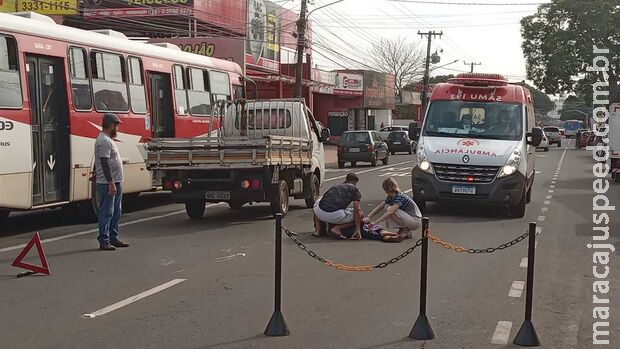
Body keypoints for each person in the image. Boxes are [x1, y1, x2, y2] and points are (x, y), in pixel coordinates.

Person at [94, 113, 129, 251]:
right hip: (108, 183)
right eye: (117, 125)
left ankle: (113, 237)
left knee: (116, 211)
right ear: (111, 125)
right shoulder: (103, 141)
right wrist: (110, 182)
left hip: (116, 181)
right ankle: (104, 240)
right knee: (107, 211)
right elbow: (104, 161)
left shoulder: (107, 140)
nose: (118, 129)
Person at [313, 173, 363, 240]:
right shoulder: (354, 189)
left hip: (320, 213)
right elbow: (357, 210)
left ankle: (317, 231)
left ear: (346, 180)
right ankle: (337, 228)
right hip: (335, 216)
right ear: (355, 182)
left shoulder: (335, 186)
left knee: (318, 202)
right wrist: (357, 229)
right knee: (360, 214)